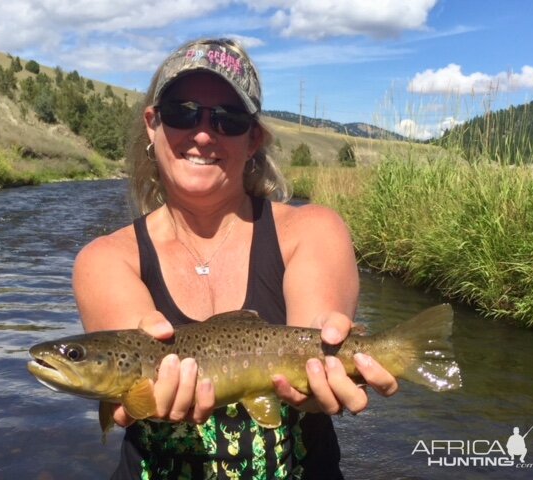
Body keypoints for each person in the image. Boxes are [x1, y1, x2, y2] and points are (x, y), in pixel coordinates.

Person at [73, 37, 398, 479]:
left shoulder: (313, 230)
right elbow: (130, 375)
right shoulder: (106, 259)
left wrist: (327, 355)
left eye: (228, 119)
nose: (203, 134)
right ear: (152, 124)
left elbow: (317, 329)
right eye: (182, 113)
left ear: (253, 139)